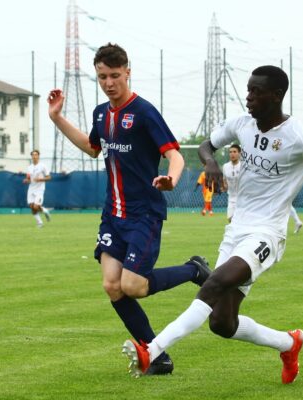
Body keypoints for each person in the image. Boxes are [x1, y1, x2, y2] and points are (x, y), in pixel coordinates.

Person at [122, 65, 303, 382]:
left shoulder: (300, 137)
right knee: (222, 323)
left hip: (267, 234)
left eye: (256, 91)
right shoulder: (242, 125)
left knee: (214, 282)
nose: (248, 97)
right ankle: (289, 343)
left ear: (276, 96)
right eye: (248, 89)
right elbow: (208, 144)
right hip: (236, 230)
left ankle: (151, 349)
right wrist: (210, 162)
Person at [48, 43, 211, 375]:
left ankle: (194, 270)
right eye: (102, 77)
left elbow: (175, 155)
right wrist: (57, 118)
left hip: (143, 215)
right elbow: (92, 148)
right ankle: (157, 356)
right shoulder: (100, 114)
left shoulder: (144, 112)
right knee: (112, 286)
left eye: (115, 76)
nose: (109, 83)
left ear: (128, 73)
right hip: (113, 215)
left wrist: (170, 178)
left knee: (133, 286)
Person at [23, 149, 51, 228]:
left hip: (39, 189)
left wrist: (40, 179)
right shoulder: (29, 167)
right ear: (31, 156)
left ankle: (45, 211)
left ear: (38, 156)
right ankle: (40, 223)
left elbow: (49, 177)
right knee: (32, 207)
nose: (34, 156)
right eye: (33, 155)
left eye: (36, 155)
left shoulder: (43, 166)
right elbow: (28, 178)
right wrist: (26, 180)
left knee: (36, 206)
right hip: (31, 189)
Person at [222, 143, 241, 222]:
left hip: (243, 198)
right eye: (230, 152)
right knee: (231, 220)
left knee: (240, 221)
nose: (232, 154)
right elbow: (225, 183)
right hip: (231, 198)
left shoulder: (243, 166)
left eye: (234, 152)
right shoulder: (225, 166)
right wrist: (221, 188)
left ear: (239, 153)